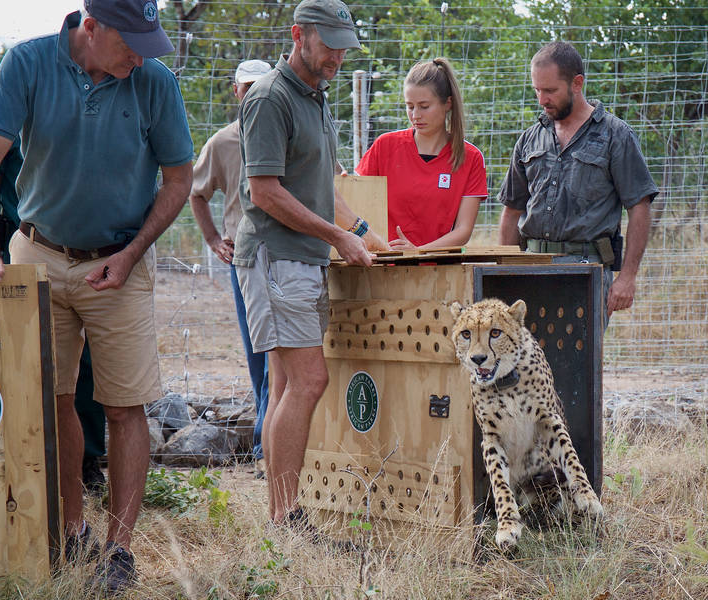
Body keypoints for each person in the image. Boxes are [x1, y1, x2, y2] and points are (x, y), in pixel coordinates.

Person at [0, 0, 193, 594]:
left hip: (119, 260)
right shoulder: (28, 63)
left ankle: (120, 550)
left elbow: (180, 179)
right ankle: (70, 531)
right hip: (38, 252)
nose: (141, 54)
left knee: (125, 406)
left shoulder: (154, 82)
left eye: (149, 40)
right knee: (53, 399)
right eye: (130, 42)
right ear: (91, 28)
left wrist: (133, 252)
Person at [233, 0, 374, 525]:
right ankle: (287, 515)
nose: (339, 55)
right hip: (277, 258)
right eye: (330, 44)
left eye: (345, 46)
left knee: (288, 385)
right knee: (309, 382)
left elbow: (318, 189)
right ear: (299, 36)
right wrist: (337, 236)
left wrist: (368, 237)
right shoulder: (270, 98)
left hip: (301, 258)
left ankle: (281, 518)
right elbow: (265, 193)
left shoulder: (314, 96)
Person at [0, 131, 108, 496]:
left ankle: (87, 460)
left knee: (87, 360)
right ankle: (28, 457)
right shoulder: (5, 118)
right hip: (25, 244)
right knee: (29, 355)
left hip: (89, 249)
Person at [498, 41, 658, 323]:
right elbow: (511, 213)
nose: (541, 99)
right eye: (537, 90)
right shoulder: (529, 139)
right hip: (530, 271)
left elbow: (639, 207)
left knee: (577, 366)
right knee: (523, 366)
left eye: (550, 91)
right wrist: (501, 275)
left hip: (587, 272)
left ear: (577, 83)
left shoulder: (616, 136)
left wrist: (627, 277)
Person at [189, 59, 273, 476]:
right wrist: (212, 240)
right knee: (260, 352)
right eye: (248, 86)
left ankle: (269, 445)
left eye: (263, 85)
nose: (255, 92)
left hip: (290, 252)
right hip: (245, 257)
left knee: (286, 354)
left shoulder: (286, 130)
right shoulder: (223, 143)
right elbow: (196, 192)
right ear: (237, 91)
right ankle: (264, 447)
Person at [356, 57, 487, 250]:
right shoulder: (385, 146)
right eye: (410, 106)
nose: (415, 115)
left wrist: (419, 252)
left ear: (447, 103)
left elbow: (463, 231)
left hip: (438, 272)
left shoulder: (471, 157)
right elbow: (357, 203)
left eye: (424, 106)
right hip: (382, 266)